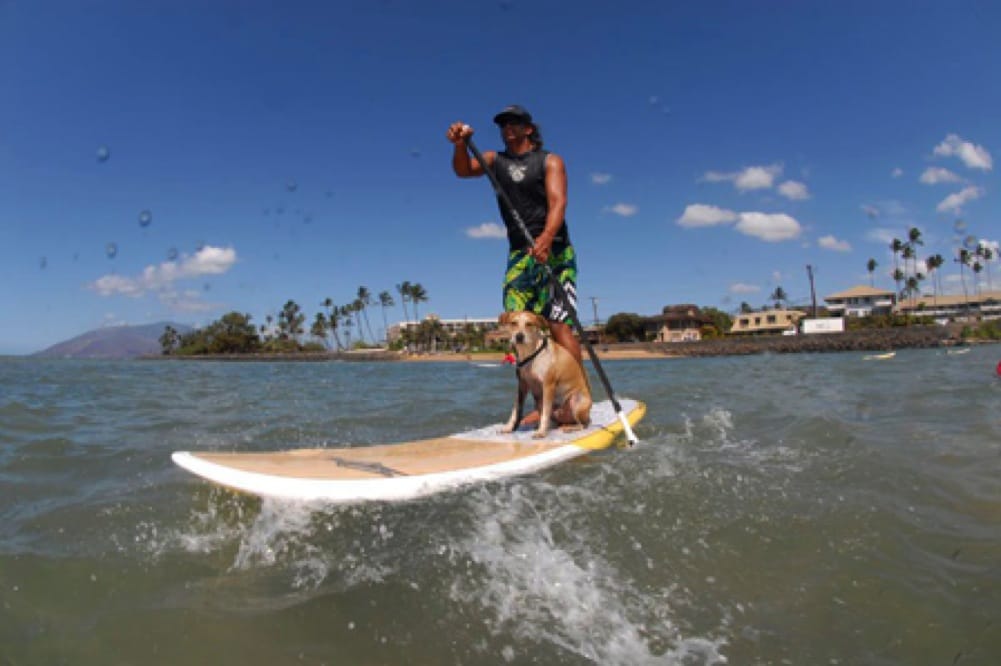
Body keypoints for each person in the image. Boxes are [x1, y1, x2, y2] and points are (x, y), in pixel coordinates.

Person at [446, 104, 583, 364]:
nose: (507, 128)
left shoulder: (550, 161)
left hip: (555, 250)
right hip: (520, 254)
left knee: (558, 324)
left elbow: (558, 202)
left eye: (514, 123)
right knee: (518, 325)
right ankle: (534, 389)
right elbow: (463, 171)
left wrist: (546, 237)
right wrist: (460, 145)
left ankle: (578, 386)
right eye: (503, 124)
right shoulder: (494, 160)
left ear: (528, 129)